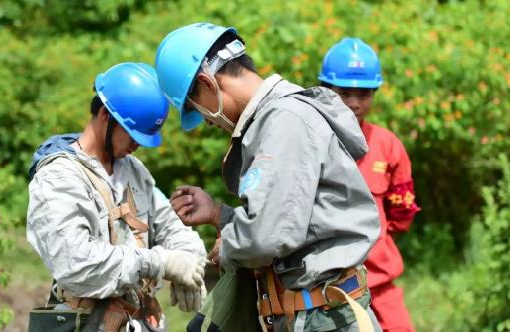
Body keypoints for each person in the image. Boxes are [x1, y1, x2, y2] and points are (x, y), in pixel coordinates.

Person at [155, 22, 382, 332]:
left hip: (324, 318)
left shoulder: (283, 121)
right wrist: (219, 215)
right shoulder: (275, 120)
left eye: (199, 110)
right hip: (311, 316)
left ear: (208, 84)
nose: (207, 122)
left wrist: (229, 247)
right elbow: (298, 224)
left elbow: (266, 238)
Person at [26, 62, 207, 332]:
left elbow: (170, 225)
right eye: (133, 134)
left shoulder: (133, 171)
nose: (138, 145)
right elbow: (75, 263)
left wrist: (190, 261)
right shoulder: (59, 177)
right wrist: (159, 263)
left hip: (138, 321)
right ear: (104, 115)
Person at [319, 38, 420, 332]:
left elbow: (403, 214)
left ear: (374, 93)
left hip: (380, 284)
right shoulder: (312, 142)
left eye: (363, 93)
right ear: (326, 90)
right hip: (329, 291)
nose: (353, 102)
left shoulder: (388, 146)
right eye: (344, 93)